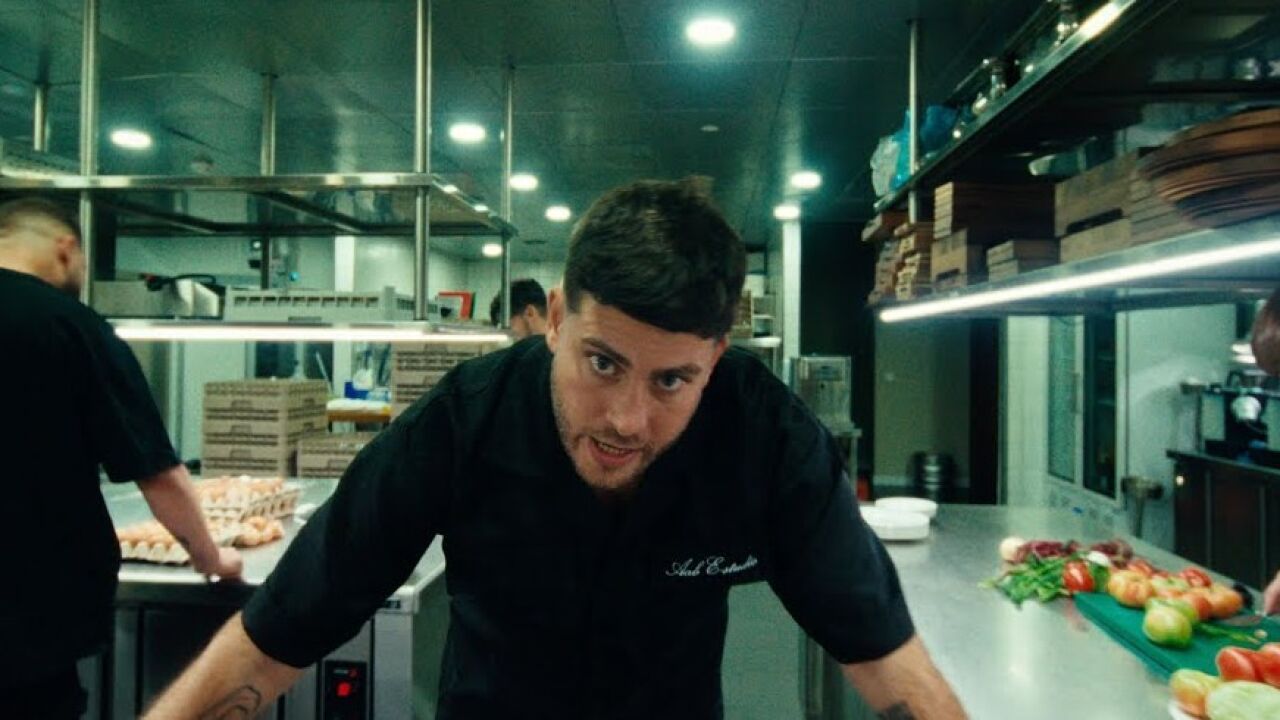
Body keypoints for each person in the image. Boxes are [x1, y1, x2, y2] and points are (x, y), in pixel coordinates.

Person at [146, 179, 965, 719]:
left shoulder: (769, 441)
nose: (627, 420)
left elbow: (883, 657)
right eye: (602, 363)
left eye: (671, 380)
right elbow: (278, 635)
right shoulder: (463, 423)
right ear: (558, 319)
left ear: (716, 359)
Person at [0, 197, 243, 719]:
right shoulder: (69, 325)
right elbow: (158, 476)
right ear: (66, 249)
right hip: (24, 633)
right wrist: (210, 558)